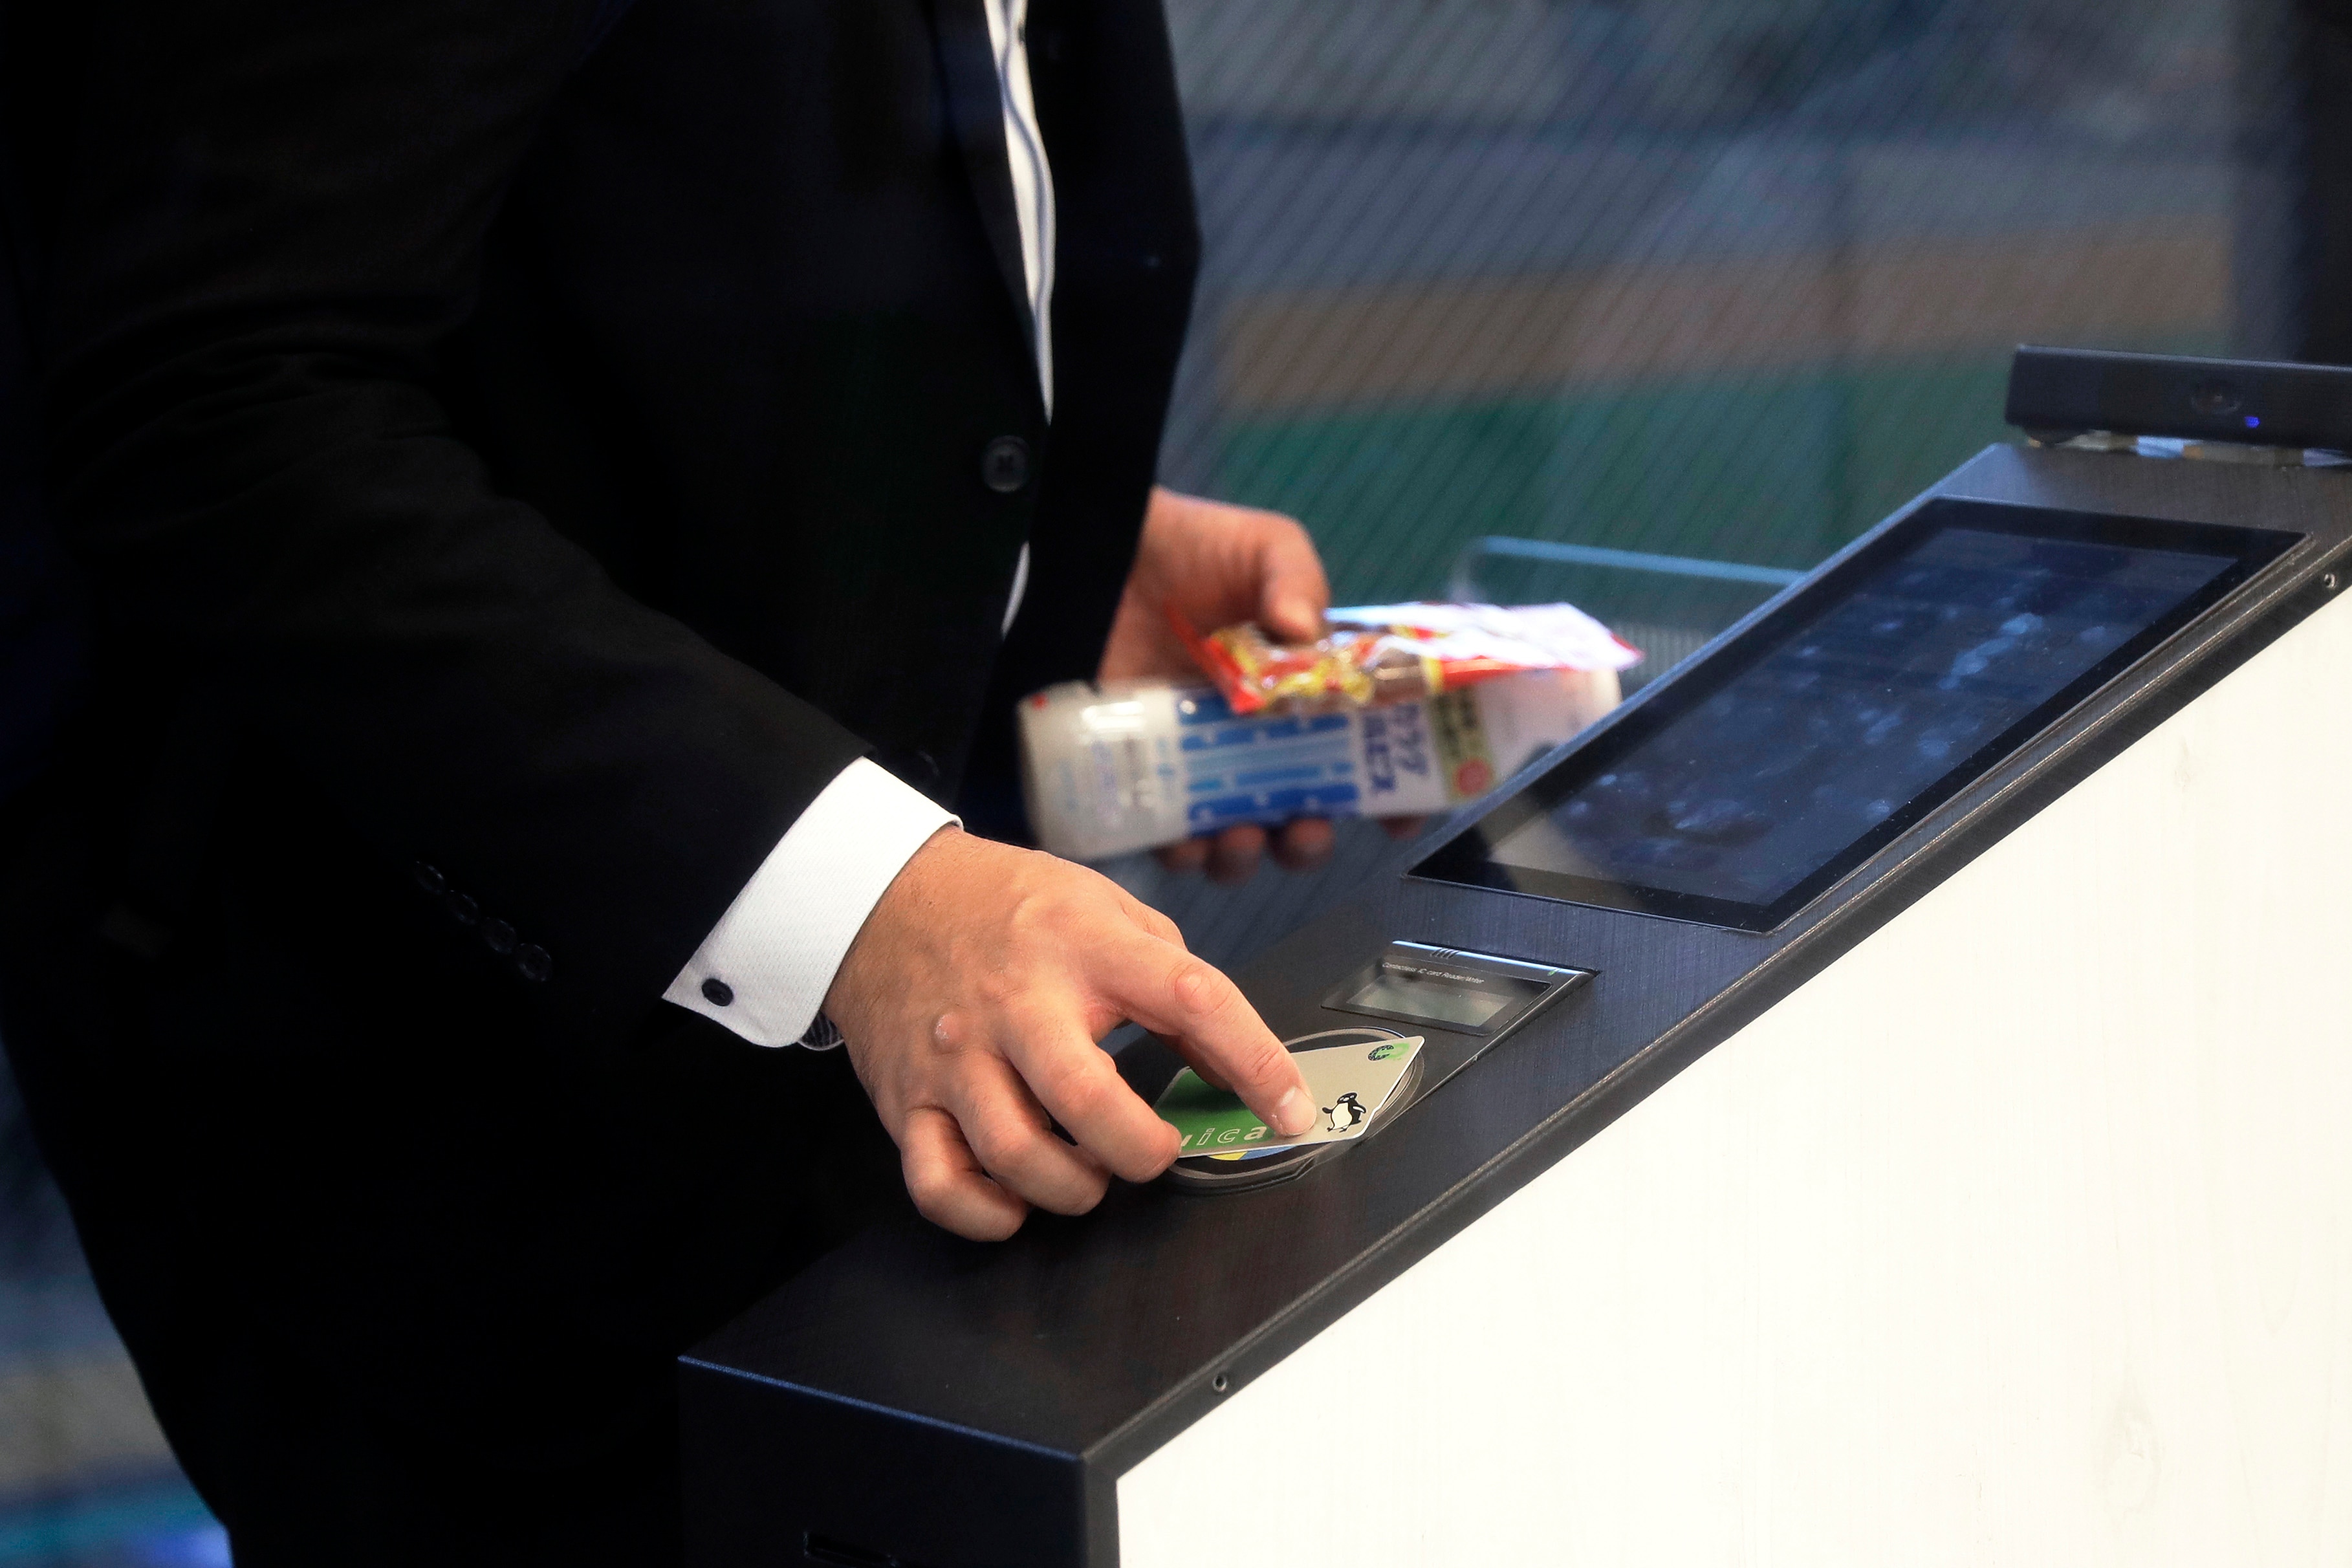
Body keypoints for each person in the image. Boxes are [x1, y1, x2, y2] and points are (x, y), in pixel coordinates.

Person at [0, 0, 1344, 1558]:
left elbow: (677, 173)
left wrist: (1036, 548)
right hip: (465, 1132)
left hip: (839, 1143)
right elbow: (223, 412)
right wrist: (868, 911)